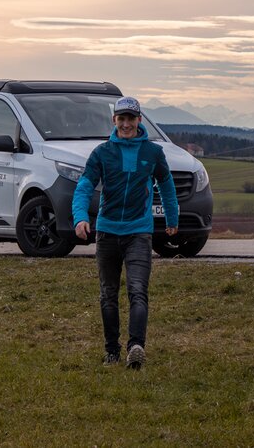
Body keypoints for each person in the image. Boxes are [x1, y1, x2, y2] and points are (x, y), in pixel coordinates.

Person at [72, 95, 179, 369]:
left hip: (139, 233)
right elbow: (85, 186)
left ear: (139, 120)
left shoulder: (153, 153)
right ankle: (111, 350)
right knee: (108, 294)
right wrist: (80, 218)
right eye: (122, 118)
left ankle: (135, 347)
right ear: (114, 121)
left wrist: (172, 217)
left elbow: (166, 185)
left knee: (137, 291)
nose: (127, 124)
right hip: (107, 233)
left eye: (131, 118)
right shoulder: (102, 153)